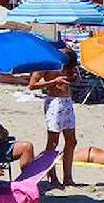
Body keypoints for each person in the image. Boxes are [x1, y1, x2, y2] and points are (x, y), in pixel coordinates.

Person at [28, 48, 78, 187]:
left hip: (67, 101)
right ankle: (52, 176)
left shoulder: (67, 64)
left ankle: (68, 177)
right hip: (54, 102)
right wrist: (53, 81)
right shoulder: (46, 63)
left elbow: (74, 79)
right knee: (53, 142)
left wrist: (73, 77)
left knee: (71, 141)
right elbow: (32, 85)